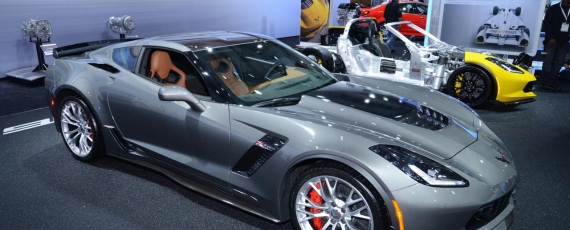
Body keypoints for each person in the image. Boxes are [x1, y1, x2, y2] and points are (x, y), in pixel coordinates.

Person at [540, 0, 570, 91]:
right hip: (552, 40)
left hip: (564, 41)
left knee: (558, 63)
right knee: (548, 62)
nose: (566, 1)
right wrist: (550, 37)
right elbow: (547, 23)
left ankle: (551, 83)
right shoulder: (553, 8)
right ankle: (543, 82)